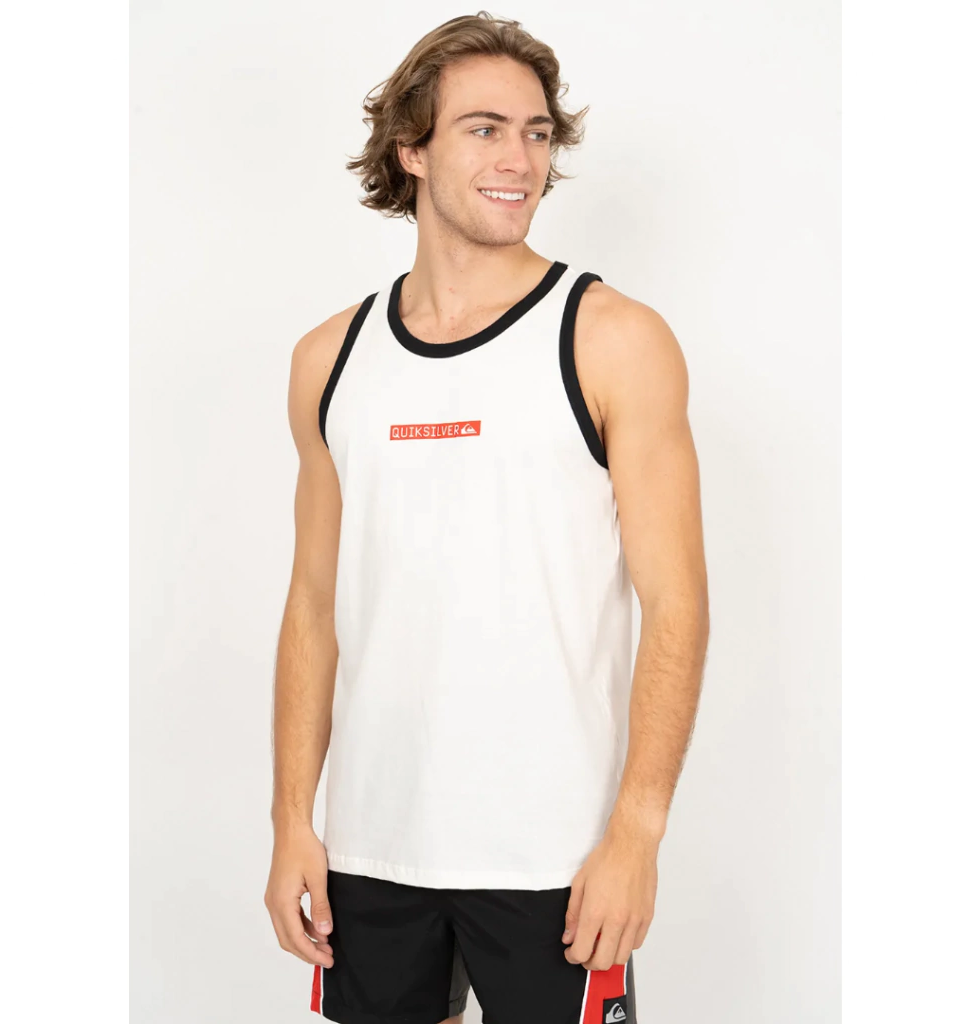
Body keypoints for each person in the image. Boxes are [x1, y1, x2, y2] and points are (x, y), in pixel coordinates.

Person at [264, 11, 709, 1024]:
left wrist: (637, 832)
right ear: (410, 149)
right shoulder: (329, 359)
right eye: (484, 129)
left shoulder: (611, 339)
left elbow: (676, 604)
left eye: (537, 133)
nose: (521, 159)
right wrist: (293, 820)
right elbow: (312, 606)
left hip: (555, 859)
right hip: (371, 849)